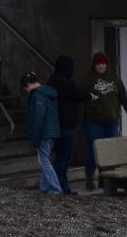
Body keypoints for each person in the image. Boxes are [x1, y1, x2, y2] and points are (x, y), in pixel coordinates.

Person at [79, 51, 127, 190]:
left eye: (103, 63)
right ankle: (89, 177)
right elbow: (81, 100)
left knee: (109, 150)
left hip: (111, 121)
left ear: (107, 64)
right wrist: (80, 120)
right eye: (98, 63)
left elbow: (124, 97)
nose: (100, 66)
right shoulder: (87, 80)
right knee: (93, 149)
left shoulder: (114, 78)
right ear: (94, 65)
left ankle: (105, 178)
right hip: (93, 121)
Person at [47, 55, 95, 196]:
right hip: (67, 125)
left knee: (59, 157)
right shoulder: (66, 82)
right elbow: (78, 95)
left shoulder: (52, 80)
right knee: (64, 157)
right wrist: (91, 96)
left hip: (55, 125)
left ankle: (58, 186)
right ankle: (61, 187)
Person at [20, 71, 62, 195]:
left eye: (25, 87)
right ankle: (43, 189)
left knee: (43, 161)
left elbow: (39, 117)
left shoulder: (38, 95)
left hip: (45, 132)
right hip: (52, 131)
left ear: (28, 84)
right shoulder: (48, 91)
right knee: (44, 159)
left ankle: (56, 189)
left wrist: (35, 137)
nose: (26, 90)